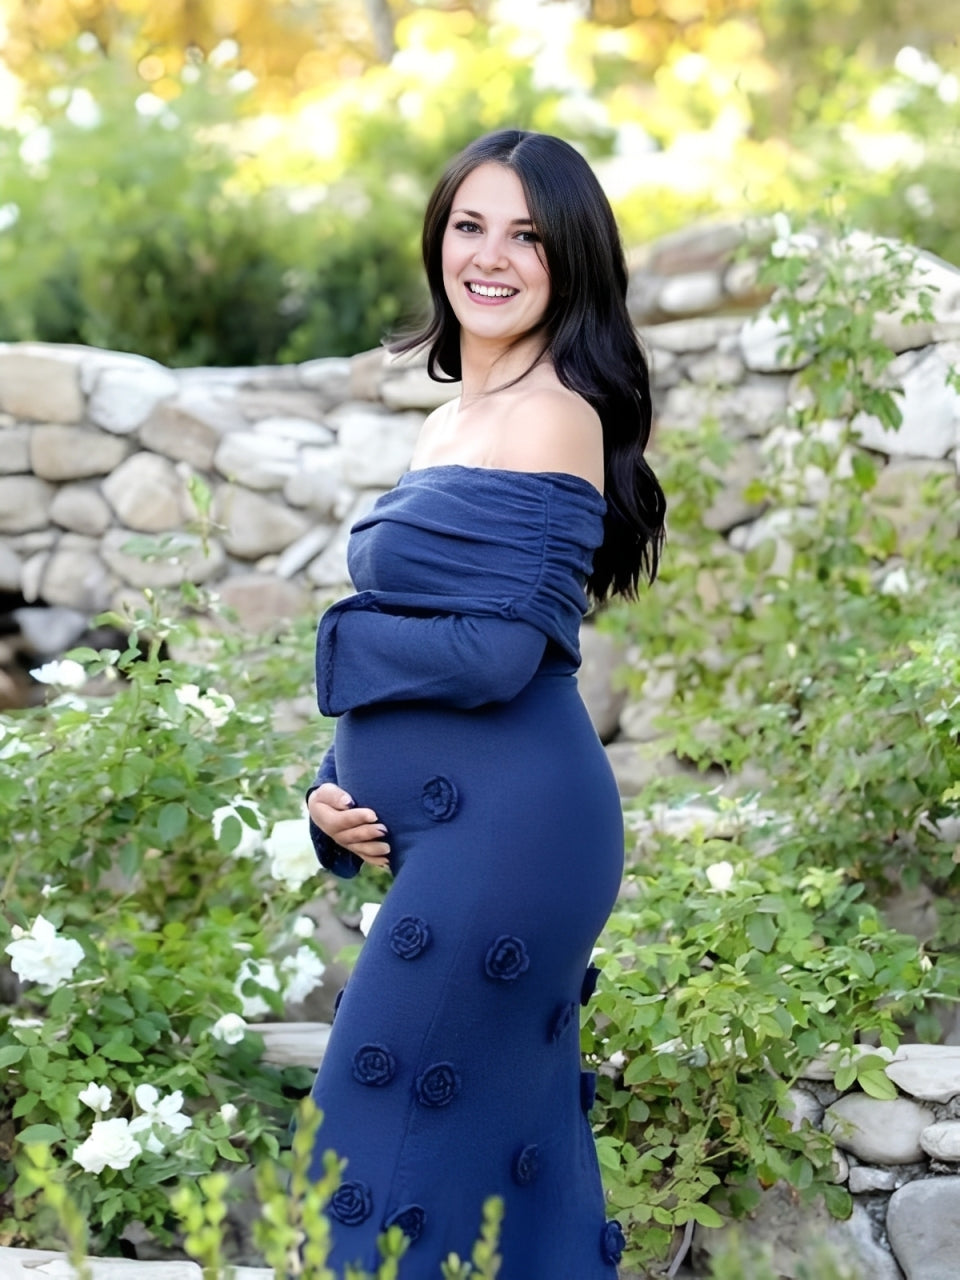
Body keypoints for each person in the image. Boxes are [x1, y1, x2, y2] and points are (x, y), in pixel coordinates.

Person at [304, 128, 665, 1278]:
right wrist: (332, 790)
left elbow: (502, 652)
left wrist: (336, 639)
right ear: (439, 239)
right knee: (498, 1165)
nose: (491, 256)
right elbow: (432, 638)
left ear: (571, 262)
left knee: (366, 1140)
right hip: (459, 831)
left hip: (515, 832)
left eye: (528, 236)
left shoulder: (556, 413)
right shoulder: (450, 420)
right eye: (471, 225)